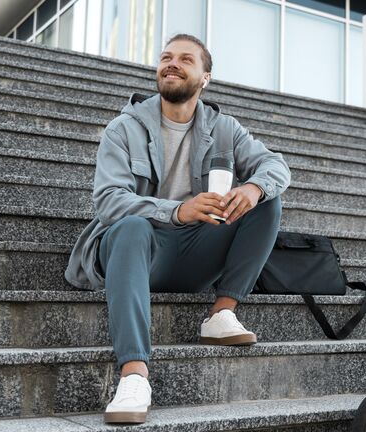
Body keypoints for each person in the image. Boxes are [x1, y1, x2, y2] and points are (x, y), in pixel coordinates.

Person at [64, 33, 291, 424]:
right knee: (132, 227)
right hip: (134, 250)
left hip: (190, 254)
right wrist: (177, 211)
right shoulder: (124, 128)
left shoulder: (225, 128)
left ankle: (222, 313)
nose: (172, 63)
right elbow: (109, 202)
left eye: (186, 59)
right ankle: (134, 376)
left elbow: (276, 166)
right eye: (166, 57)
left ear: (205, 78)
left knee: (267, 200)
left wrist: (253, 188)